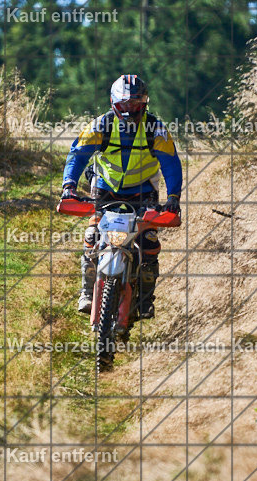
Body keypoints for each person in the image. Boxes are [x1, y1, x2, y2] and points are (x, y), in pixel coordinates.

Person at [61, 74, 183, 318]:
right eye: (125, 105)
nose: (130, 111)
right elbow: (78, 155)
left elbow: (171, 164)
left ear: (145, 104)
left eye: (136, 105)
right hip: (105, 189)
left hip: (143, 192)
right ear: (113, 103)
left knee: (148, 243)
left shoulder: (156, 128)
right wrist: (69, 186)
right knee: (92, 236)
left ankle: (146, 300)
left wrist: (173, 199)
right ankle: (87, 293)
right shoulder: (101, 125)